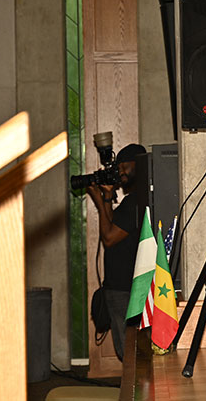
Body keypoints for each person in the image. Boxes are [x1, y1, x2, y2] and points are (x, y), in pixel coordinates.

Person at [87, 143, 146, 361]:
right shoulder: (139, 199)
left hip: (124, 289)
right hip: (127, 285)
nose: (120, 172)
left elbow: (109, 238)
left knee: (128, 352)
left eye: (124, 166)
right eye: (118, 167)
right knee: (131, 351)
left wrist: (99, 200)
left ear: (139, 164)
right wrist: (106, 198)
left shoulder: (133, 202)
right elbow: (112, 225)